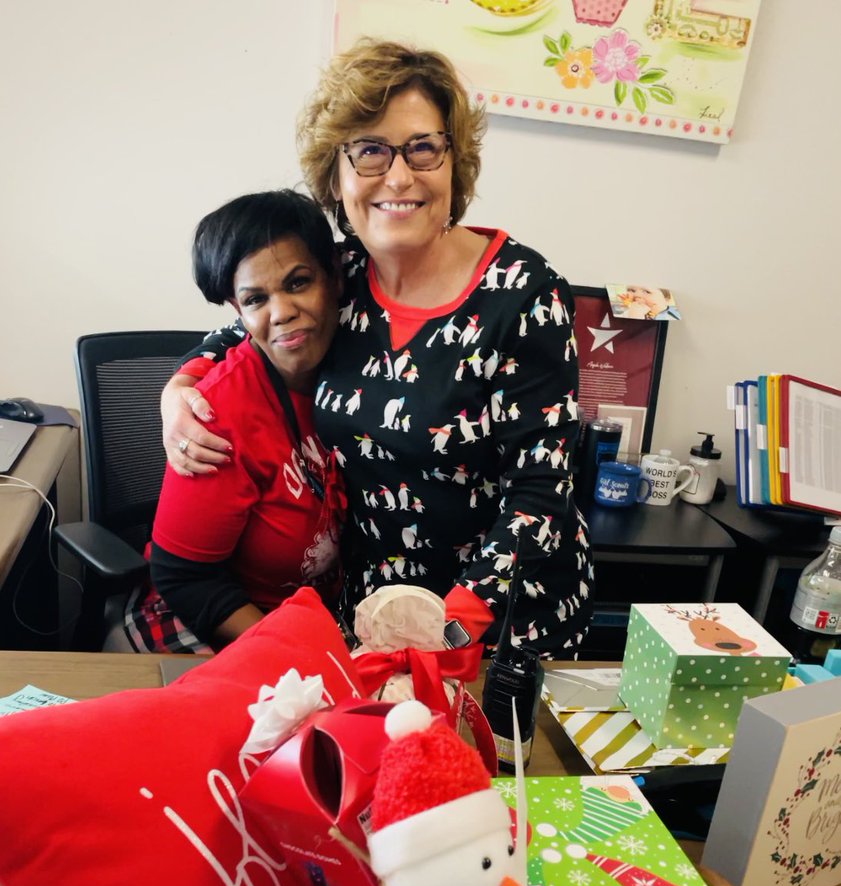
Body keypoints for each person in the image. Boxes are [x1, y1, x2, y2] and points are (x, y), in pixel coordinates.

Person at [160, 39, 593, 656]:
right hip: (374, 619)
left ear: (453, 162)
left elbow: (542, 492)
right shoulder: (340, 276)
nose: (398, 175)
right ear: (336, 176)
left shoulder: (523, 294)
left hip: (503, 626)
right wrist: (178, 390)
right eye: (369, 151)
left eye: (422, 147)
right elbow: (242, 328)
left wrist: (447, 631)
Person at [127, 189, 345, 652]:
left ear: (335, 279)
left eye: (299, 282)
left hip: (322, 620)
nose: (281, 312)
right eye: (256, 298)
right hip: (219, 623)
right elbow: (185, 577)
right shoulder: (216, 414)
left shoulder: (362, 373)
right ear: (237, 311)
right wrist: (291, 651)